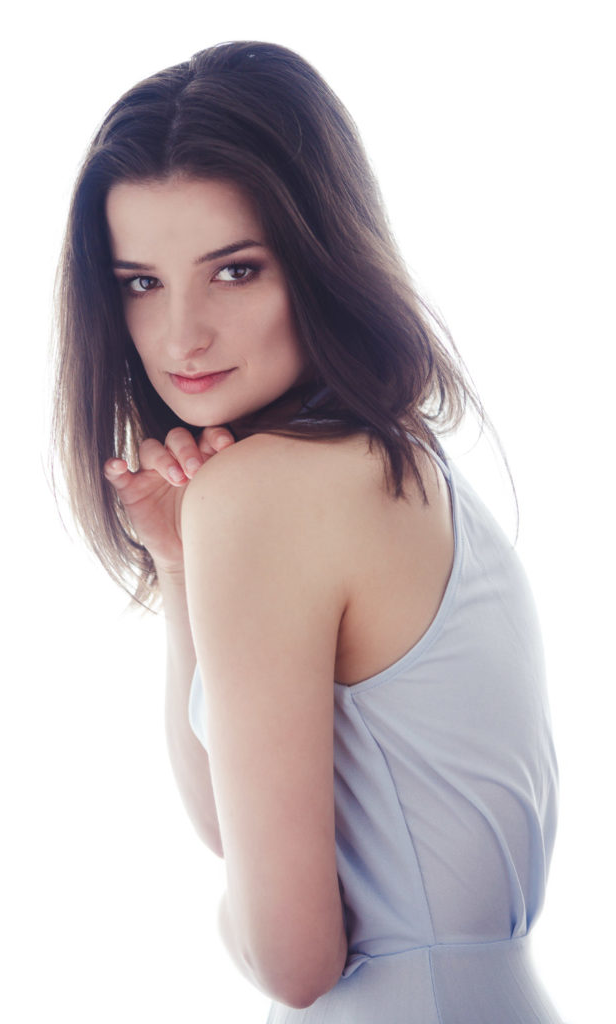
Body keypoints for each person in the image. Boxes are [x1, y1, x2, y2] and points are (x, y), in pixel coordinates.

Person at [53, 41, 563, 1023]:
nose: (181, 336)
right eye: (140, 282)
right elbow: (229, 824)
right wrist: (178, 569)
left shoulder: (266, 494)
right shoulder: (398, 459)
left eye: (234, 270)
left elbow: (289, 957)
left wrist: (222, 920)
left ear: (321, 257)